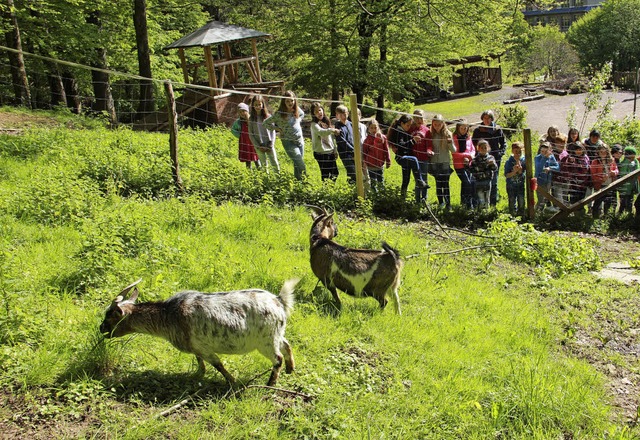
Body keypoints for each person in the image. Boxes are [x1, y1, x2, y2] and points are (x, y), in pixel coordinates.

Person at [264, 90, 306, 180]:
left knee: (297, 164)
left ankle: (298, 184)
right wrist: (277, 129)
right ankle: (306, 182)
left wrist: (298, 120)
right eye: (287, 101)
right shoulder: (279, 114)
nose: (290, 103)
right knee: (301, 165)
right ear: (283, 102)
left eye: (292, 100)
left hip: (300, 140)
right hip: (288, 142)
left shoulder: (297, 110)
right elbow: (266, 123)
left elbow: (302, 114)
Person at [387, 114, 429, 199]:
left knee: (406, 179)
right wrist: (412, 141)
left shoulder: (404, 131)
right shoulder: (399, 132)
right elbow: (401, 145)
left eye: (410, 125)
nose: (409, 127)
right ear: (402, 123)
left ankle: (402, 198)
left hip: (407, 158)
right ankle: (420, 180)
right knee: (414, 159)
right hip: (401, 158)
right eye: (407, 125)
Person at [472, 109, 506, 207]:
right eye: (485, 118)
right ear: (482, 118)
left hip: (495, 159)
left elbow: (503, 142)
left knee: (494, 181)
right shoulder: (478, 130)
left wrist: (501, 153)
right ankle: (481, 204)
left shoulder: (497, 129)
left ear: (492, 119)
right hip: (481, 160)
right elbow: (473, 144)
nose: (487, 120)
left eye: (489, 118)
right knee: (481, 181)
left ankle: (493, 204)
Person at [427, 114, 455, 210]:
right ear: (432, 124)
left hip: (445, 162)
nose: (437, 126)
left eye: (439, 124)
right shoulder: (431, 134)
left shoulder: (448, 134)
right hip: (434, 162)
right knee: (438, 184)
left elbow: (454, 150)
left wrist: (450, 143)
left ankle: (448, 204)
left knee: (445, 184)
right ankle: (441, 203)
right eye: (435, 124)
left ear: (443, 124)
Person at [248, 95, 280, 173]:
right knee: (264, 164)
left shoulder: (268, 117)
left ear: (263, 104)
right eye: (256, 105)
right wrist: (257, 146)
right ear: (253, 106)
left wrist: (271, 144)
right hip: (259, 145)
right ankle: (266, 180)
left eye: (259, 104)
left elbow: (273, 131)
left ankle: (278, 177)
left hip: (269, 144)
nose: (258, 106)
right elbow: (251, 134)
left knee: (274, 162)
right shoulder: (251, 119)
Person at [309, 102, 340, 181]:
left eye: (320, 110)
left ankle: (330, 188)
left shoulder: (326, 121)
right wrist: (332, 130)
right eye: (316, 112)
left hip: (330, 152)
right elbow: (321, 132)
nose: (319, 112)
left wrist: (335, 150)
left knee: (335, 173)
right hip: (321, 153)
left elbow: (331, 138)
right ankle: (326, 190)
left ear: (323, 110)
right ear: (313, 114)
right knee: (325, 174)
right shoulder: (314, 125)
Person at [451, 120, 476, 209]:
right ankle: (469, 205)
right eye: (462, 128)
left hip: (468, 164)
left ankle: (463, 203)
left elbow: (472, 149)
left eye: (465, 128)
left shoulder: (468, 137)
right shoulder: (454, 138)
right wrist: (467, 155)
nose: (463, 130)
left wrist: (470, 156)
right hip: (458, 165)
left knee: (465, 184)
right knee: (467, 183)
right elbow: (454, 154)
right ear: (458, 128)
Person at [590, 144, 618, 218]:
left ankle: (606, 217)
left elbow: (616, 170)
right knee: (597, 202)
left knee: (608, 202)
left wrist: (613, 172)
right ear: (598, 152)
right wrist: (601, 179)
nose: (603, 153)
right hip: (600, 185)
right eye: (601, 152)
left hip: (609, 184)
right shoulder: (595, 162)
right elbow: (593, 175)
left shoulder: (611, 160)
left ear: (607, 152)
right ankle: (595, 218)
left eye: (604, 152)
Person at [362, 118, 391, 190]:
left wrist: (388, 160)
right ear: (368, 129)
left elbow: (386, 149)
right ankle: (374, 196)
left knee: (381, 180)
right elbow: (365, 152)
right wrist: (364, 162)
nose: (373, 130)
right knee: (373, 181)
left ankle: (382, 195)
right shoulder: (367, 140)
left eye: (375, 127)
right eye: (371, 128)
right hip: (371, 164)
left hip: (380, 163)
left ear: (378, 128)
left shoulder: (383, 138)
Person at [559, 142, 590, 208]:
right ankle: (573, 212)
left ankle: (580, 213)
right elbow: (565, 166)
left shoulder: (585, 157)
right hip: (574, 182)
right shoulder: (571, 158)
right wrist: (571, 161)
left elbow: (587, 168)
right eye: (577, 150)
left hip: (583, 182)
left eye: (580, 149)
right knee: (573, 198)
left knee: (582, 199)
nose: (578, 151)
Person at [411, 109, 432, 203]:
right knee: (417, 179)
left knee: (424, 178)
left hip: (424, 159)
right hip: (414, 159)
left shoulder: (426, 130)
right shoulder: (410, 129)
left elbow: (429, 144)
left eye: (421, 117)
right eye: (416, 117)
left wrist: (429, 151)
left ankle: (424, 199)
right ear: (413, 118)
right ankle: (417, 200)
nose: (419, 119)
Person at [470, 139, 497, 209]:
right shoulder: (475, 160)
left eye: (485, 148)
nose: (484, 149)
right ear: (478, 148)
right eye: (482, 148)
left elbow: (494, 169)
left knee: (487, 197)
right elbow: (471, 170)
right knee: (480, 198)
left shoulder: (491, 158)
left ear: (488, 148)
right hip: (478, 181)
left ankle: (487, 212)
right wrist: (467, 165)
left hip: (487, 180)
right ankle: (480, 212)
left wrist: (493, 164)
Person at [231, 102, 259, 169]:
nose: (242, 113)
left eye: (243, 111)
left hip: (253, 142)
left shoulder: (252, 119)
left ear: (247, 111)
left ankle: (260, 169)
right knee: (247, 158)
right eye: (240, 112)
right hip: (245, 143)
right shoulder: (238, 122)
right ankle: (249, 171)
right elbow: (233, 130)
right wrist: (240, 135)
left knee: (256, 156)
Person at [334, 105, 357, 183]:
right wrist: (353, 151)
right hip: (345, 154)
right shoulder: (337, 127)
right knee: (352, 173)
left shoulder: (351, 124)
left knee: (356, 172)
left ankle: (353, 188)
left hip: (355, 152)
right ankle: (351, 189)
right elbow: (342, 142)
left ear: (348, 113)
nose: (343, 116)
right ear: (337, 115)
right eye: (341, 114)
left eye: (345, 113)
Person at [534, 142, 560, 212]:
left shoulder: (551, 157)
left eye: (546, 152)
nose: (544, 153)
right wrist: (545, 157)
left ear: (550, 150)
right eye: (542, 151)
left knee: (546, 198)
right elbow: (539, 169)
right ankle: (535, 212)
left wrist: (550, 168)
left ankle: (541, 212)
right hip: (539, 181)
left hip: (548, 181)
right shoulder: (537, 158)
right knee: (540, 200)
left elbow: (558, 167)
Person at [504, 142, 526, 216]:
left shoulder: (523, 160)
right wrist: (514, 172)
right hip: (511, 185)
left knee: (521, 200)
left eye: (520, 152)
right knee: (512, 200)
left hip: (520, 184)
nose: (518, 154)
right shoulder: (509, 162)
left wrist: (519, 170)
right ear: (512, 151)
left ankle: (521, 214)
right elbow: (506, 175)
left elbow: (523, 172)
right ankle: (512, 215)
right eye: (516, 152)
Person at [618, 146, 639, 213]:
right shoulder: (624, 163)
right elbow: (624, 174)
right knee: (624, 202)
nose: (633, 158)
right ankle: (621, 214)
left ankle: (629, 214)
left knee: (630, 201)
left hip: (632, 186)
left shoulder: (634, 162)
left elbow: (637, 170)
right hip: (625, 187)